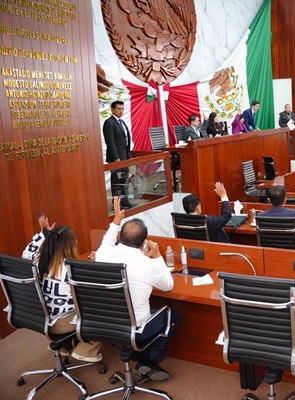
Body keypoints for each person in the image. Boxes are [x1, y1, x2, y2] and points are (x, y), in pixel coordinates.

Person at [95, 197, 180, 381]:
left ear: (120, 237)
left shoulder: (103, 253)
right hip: (136, 329)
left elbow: (107, 239)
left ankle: (139, 357)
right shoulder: (146, 264)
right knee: (173, 315)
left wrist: (117, 220)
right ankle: (147, 360)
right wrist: (157, 256)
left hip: (104, 323)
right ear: (143, 243)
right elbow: (168, 286)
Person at [22, 214, 103, 362]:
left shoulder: (37, 262)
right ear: (70, 245)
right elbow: (94, 294)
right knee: (103, 306)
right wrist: (97, 262)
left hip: (43, 318)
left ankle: (63, 346)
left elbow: (27, 252)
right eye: (74, 240)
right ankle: (86, 349)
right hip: (63, 323)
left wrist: (44, 234)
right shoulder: (73, 270)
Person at [103, 100, 133, 209]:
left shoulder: (122, 122)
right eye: (118, 109)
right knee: (117, 182)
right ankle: (117, 204)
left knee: (124, 181)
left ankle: (125, 202)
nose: (121, 111)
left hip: (125, 157)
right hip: (117, 158)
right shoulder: (109, 122)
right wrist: (116, 158)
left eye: (122, 109)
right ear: (112, 110)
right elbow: (110, 142)